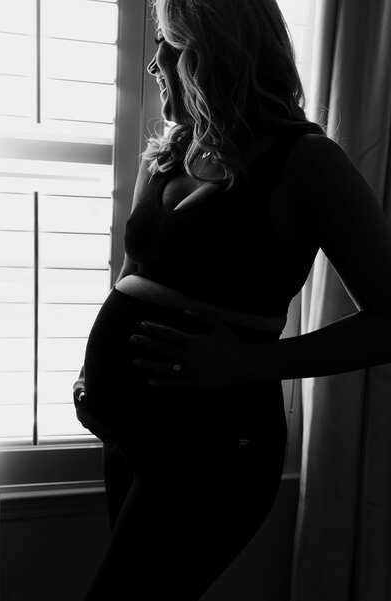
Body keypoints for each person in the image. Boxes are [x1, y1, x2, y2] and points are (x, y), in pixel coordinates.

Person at [73, 0, 391, 599]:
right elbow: (132, 275)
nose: (155, 62)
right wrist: (91, 371)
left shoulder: (308, 164)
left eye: (171, 45)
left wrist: (251, 363)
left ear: (220, 52)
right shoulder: (171, 152)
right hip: (130, 437)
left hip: (215, 447)